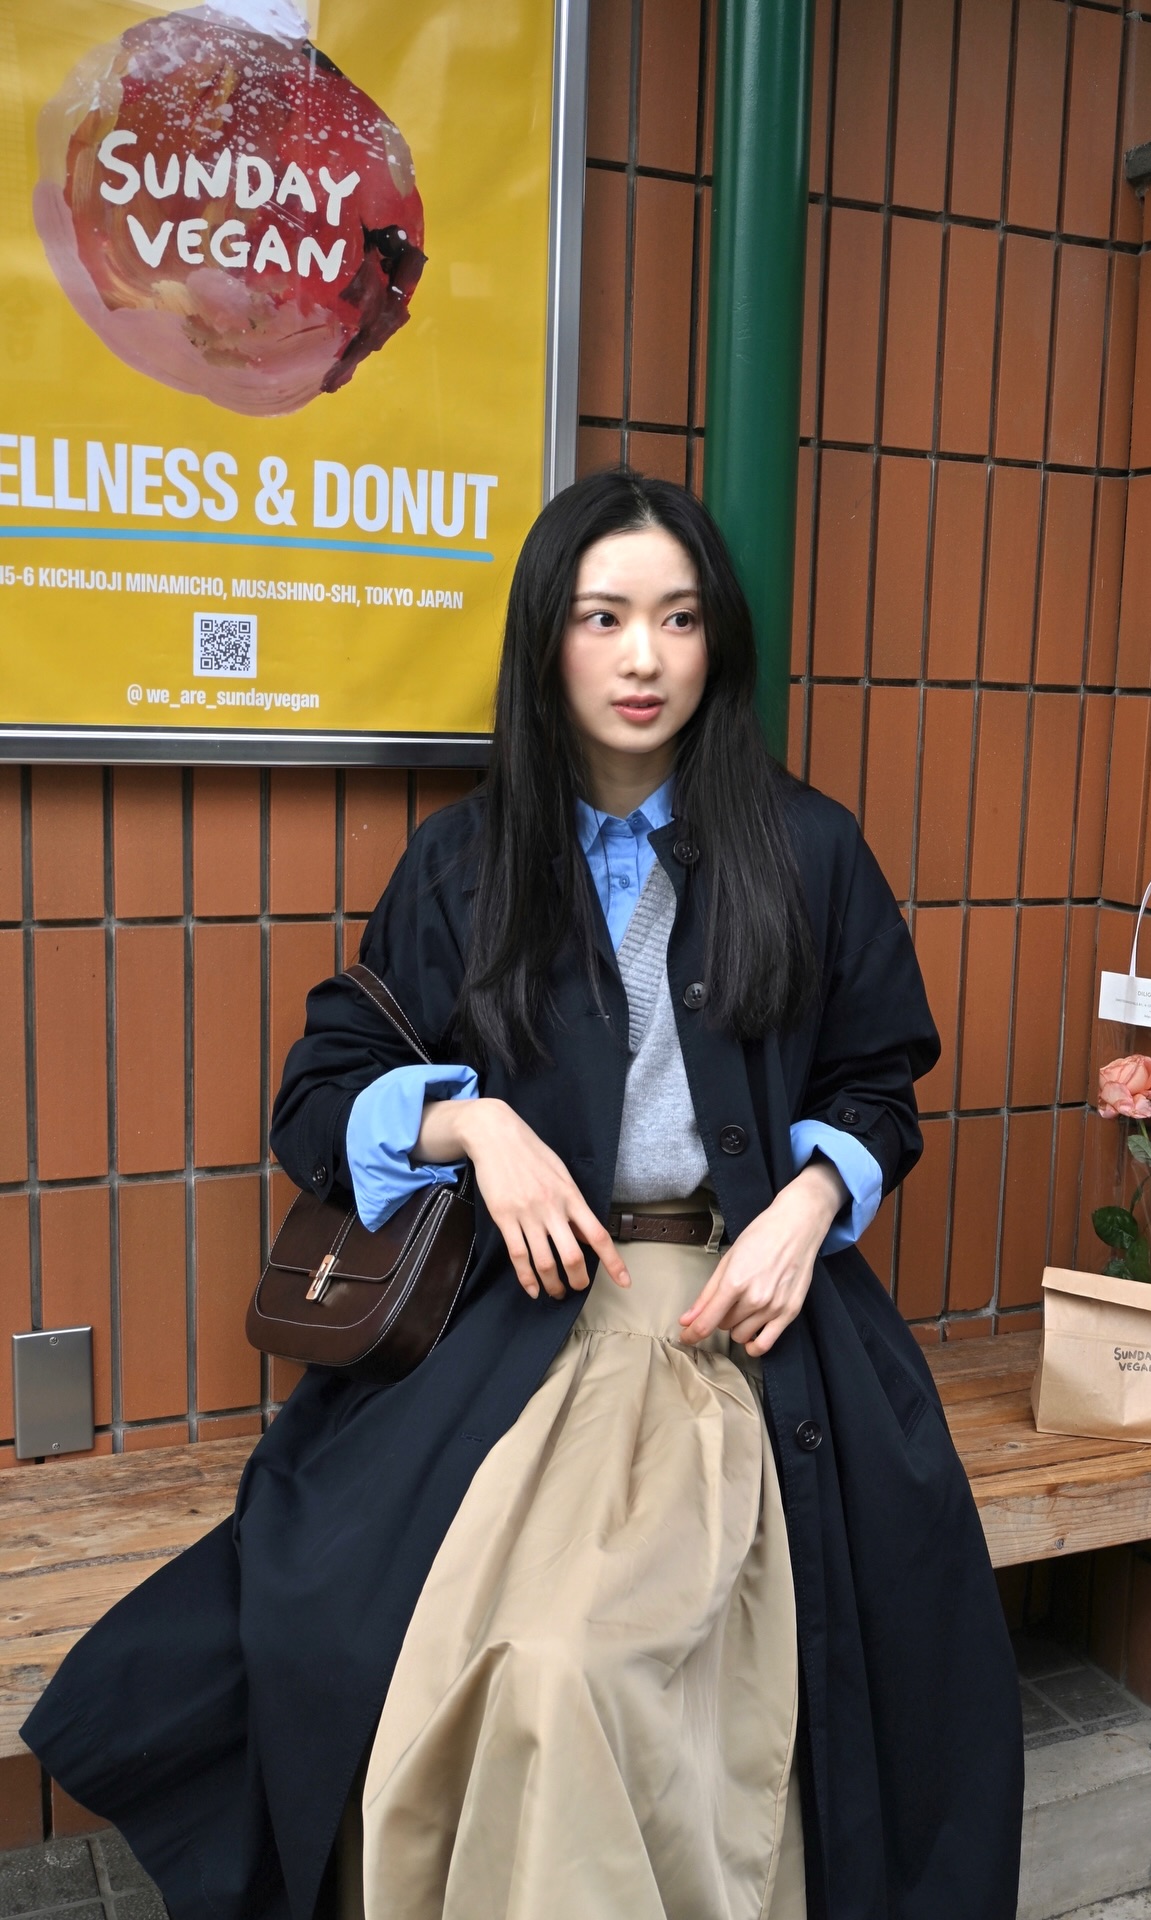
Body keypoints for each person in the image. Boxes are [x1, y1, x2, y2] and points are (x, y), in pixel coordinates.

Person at [23, 470, 1023, 1919]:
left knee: (581, 1666)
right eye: (602, 617)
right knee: (417, 1641)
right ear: (547, 639)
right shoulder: (466, 860)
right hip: (514, 1325)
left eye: (679, 618)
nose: (642, 656)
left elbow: (880, 1083)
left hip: (734, 1324)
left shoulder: (806, 848)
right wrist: (475, 1125)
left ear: (719, 642)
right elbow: (318, 1097)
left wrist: (812, 1204)